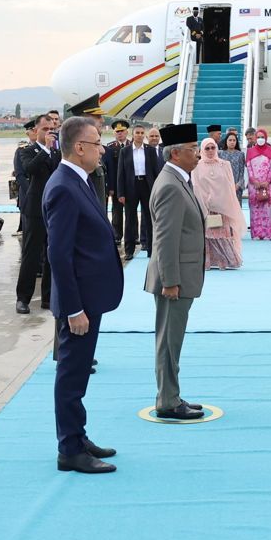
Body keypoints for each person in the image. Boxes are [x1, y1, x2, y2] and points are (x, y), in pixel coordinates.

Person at [45, 116, 124, 474]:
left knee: (78, 374)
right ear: (79, 148)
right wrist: (74, 308)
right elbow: (58, 254)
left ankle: (78, 435)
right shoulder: (63, 185)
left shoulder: (81, 181)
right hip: (80, 303)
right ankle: (70, 450)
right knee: (72, 375)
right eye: (97, 144)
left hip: (91, 297)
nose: (101, 150)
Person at [145, 123, 207, 421]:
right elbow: (165, 239)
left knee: (172, 340)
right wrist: (170, 282)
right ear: (177, 153)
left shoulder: (178, 179)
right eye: (194, 149)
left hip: (180, 277)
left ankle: (172, 394)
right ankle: (168, 401)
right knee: (169, 341)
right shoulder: (170, 184)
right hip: (174, 280)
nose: (198, 154)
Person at [16, 114, 61, 313]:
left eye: (51, 129)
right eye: (45, 129)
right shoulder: (27, 151)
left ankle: (48, 297)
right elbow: (29, 169)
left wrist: (53, 151)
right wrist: (46, 150)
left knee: (52, 255)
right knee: (31, 255)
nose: (49, 133)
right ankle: (23, 298)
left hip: (54, 210)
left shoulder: (57, 153)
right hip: (35, 210)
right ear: (36, 131)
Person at [194, 138, 244, 269]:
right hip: (206, 207)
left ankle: (225, 260)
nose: (210, 151)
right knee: (208, 234)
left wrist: (222, 200)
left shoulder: (224, 164)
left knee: (222, 234)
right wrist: (206, 201)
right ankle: (208, 261)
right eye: (207, 148)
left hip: (222, 206)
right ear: (202, 150)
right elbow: (196, 186)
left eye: (213, 148)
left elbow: (229, 186)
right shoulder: (197, 166)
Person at [117, 124, 161, 260]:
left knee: (149, 218)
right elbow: (121, 173)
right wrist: (121, 193)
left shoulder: (150, 150)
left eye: (142, 133)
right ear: (132, 134)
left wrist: (157, 188)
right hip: (131, 186)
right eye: (137, 133)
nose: (140, 135)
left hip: (147, 186)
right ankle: (129, 250)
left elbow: (156, 172)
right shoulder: (125, 151)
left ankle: (151, 249)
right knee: (130, 219)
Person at [246, 128, 271, 241]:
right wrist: (254, 180)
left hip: (267, 184)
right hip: (254, 185)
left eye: (263, 137)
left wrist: (267, 181)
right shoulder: (250, 151)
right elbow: (249, 167)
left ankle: (267, 233)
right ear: (255, 138)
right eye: (258, 137)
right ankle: (256, 233)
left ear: (266, 138)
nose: (260, 139)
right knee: (255, 209)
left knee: (266, 209)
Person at [103, 119, 130, 244]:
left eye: (122, 131)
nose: (120, 134)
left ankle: (133, 236)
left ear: (127, 131)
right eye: (117, 131)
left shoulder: (132, 145)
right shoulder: (110, 148)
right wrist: (111, 187)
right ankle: (117, 235)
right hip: (117, 185)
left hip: (131, 183)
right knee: (116, 211)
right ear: (114, 133)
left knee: (131, 211)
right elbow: (110, 169)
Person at [13, 119, 39, 236]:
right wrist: (31, 191)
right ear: (27, 133)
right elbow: (19, 174)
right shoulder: (21, 150)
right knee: (29, 232)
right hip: (28, 193)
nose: (35, 132)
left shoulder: (49, 150)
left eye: (36, 129)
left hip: (44, 192)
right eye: (32, 130)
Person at [218, 131, 246, 204]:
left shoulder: (240, 154)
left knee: (237, 210)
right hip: (224, 187)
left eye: (234, 140)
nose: (232, 142)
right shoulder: (220, 154)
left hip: (237, 188)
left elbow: (242, 172)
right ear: (226, 141)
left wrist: (237, 185)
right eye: (230, 140)